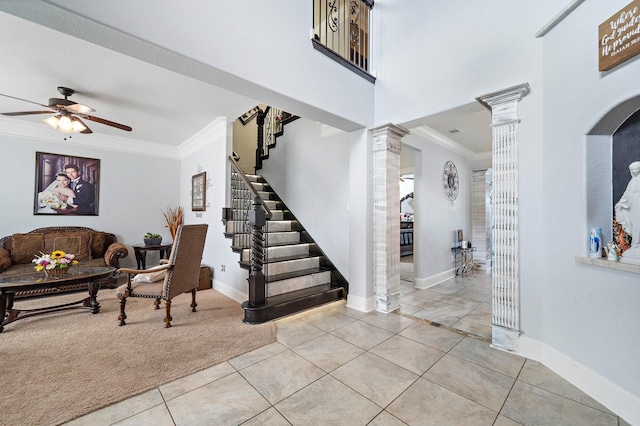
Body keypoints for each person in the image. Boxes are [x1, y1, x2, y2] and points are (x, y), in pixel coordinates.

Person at [614, 161, 640, 261]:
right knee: (634, 225)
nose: (632, 173)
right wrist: (620, 204)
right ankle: (635, 245)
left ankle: (637, 245)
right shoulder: (632, 181)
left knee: (638, 225)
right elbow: (627, 194)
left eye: (634, 170)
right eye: (631, 171)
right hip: (633, 207)